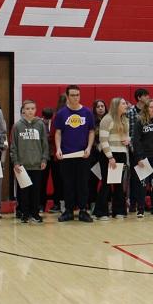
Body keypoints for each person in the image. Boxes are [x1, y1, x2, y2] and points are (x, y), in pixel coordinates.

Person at [53, 85, 96, 222]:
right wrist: (58, 149)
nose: (75, 97)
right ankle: (69, 211)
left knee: (83, 183)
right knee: (68, 183)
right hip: (67, 155)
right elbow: (58, 132)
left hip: (83, 155)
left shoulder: (87, 112)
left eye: (77, 95)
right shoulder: (61, 113)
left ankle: (83, 210)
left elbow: (91, 131)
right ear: (67, 96)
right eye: (72, 95)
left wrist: (89, 147)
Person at [10, 100, 48, 224]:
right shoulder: (17, 126)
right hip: (22, 165)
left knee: (36, 192)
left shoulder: (40, 124)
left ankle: (35, 214)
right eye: (27, 109)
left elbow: (44, 143)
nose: (30, 111)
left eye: (32, 108)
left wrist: (44, 158)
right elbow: (13, 146)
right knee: (23, 192)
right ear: (23, 111)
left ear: (35, 110)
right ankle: (24, 214)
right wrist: (16, 162)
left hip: (37, 164)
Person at [132, 99, 153, 218]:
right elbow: (136, 141)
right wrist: (139, 157)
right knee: (143, 183)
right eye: (151, 107)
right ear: (146, 108)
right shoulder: (140, 121)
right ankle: (140, 208)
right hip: (144, 156)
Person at [99, 98, 131, 219]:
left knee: (118, 184)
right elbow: (103, 140)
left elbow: (127, 137)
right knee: (107, 183)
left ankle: (119, 211)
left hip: (121, 153)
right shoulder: (107, 119)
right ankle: (101, 212)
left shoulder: (125, 120)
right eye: (123, 103)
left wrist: (128, 140)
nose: (126, 105)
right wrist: (110, 157)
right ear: (116, 105)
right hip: (109, 155)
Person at [126, 88, 152, 212]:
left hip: (145, 149)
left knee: (144, 176)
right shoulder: (130, 112)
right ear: (139, 97)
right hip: (133, 148)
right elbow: (128, 131)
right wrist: (132, 147)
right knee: (133, 177)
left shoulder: (148, 112)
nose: (148, 98)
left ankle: (142, 201)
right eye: (146, 96)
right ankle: (132, 202)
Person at [89, 99, 110, 219]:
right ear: (94, 109)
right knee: (93, 181)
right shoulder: (92, 121)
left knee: (107, 181)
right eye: (98, 107)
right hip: (94, 154)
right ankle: (92, 204)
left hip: (107, 154)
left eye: (102, 106)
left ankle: (106, 204)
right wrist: (96, 144)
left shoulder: (109, 120)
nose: (101, 108)